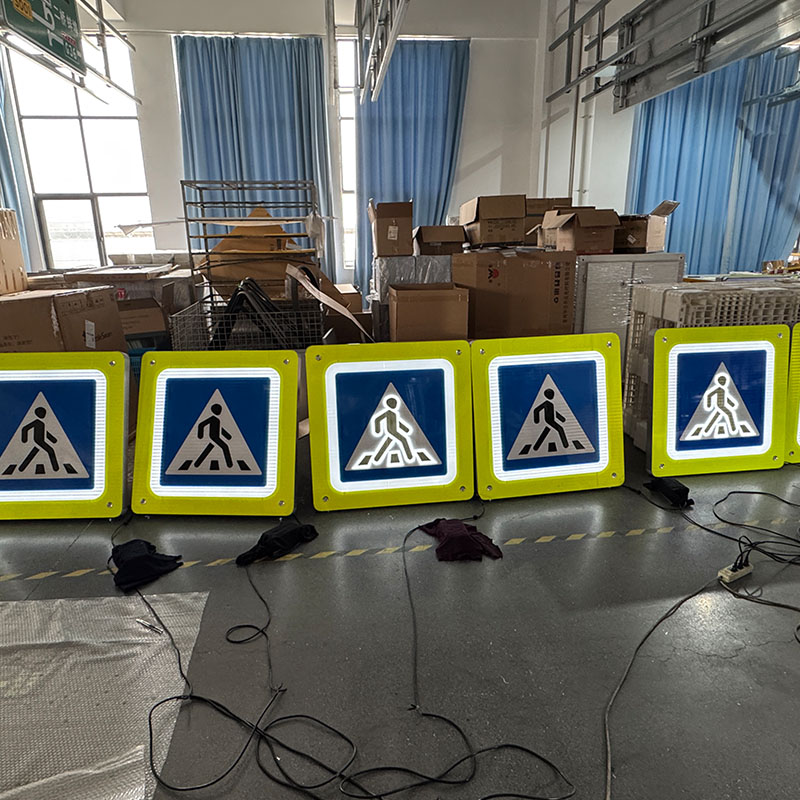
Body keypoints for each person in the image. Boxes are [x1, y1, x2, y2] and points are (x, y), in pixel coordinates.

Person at [371, 395, 414, 464]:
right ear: (389, 405)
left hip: (393, 431)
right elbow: (377, 419)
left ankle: (376, 458)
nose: (395, 405)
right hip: (391, 431)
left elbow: (397, 423)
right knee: (404, 440)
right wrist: (378, 430)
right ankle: (410, 457)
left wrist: (406, 429)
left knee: (386, 445)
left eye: (395, 403)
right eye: (393, 403)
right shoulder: (387, 413)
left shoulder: (394, 414)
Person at [19, 406, 59, 473]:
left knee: (33, 453)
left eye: (44, 413)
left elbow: (45, 433)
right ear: (38, 414)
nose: (44, 414)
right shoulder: (36, 422)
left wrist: (53, 440)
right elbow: (25, 428)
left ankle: (21, 468)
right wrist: (24, 439)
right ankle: (56, 469)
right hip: (38, 441)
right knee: (50, 450)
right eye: (42, 413)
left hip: (41, 441)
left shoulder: (42, 423)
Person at [194, 403, 233, 468]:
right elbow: (201, 425)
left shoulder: (217, 420)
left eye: (220, 409)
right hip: (214, 437)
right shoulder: (212, 418)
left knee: (209, 449)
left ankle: (196, 464)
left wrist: (228, 436)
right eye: (218, 409)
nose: (220, 411)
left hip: (216, 437)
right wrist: (200, 435)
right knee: (225, 447)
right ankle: (230, 465)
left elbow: (220, 429)